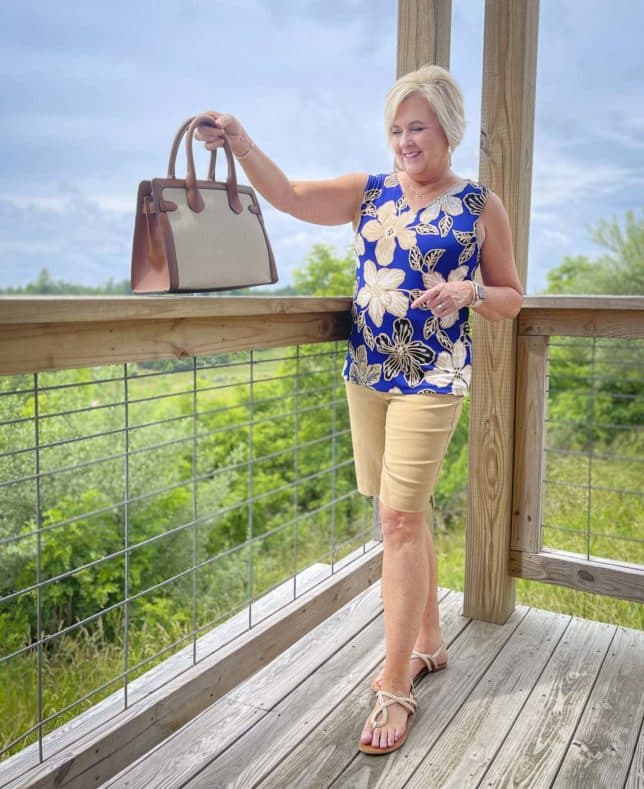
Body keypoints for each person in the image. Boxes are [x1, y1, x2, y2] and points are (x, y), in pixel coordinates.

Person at [196, 64, 523, 755]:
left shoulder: (478, 205)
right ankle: (429, 641)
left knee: (398, 519)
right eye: (397, 128)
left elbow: (512, 295)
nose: (405, 141)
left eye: (419, 127)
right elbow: (285, 196)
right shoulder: (368, 191)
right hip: (366, 373)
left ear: (448, 130)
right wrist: (243, 142)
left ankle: (393, 683)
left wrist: (469, 291)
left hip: (433, 377)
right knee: (407, 509)